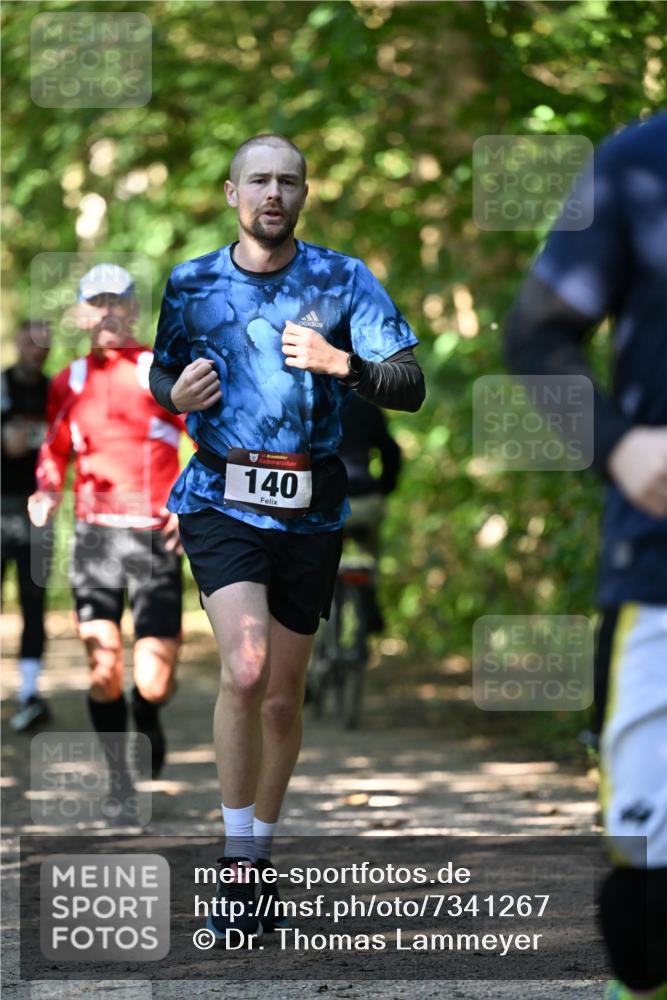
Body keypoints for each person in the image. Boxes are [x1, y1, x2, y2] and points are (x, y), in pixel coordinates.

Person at [149, 133, 425, 941]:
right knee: (247, 666)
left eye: (288, 181)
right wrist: (177, 388)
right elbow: (163, 372)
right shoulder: (192, 281)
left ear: (303, 196)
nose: (274, 193)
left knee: (279, 697)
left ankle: (259, 858)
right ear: (233, 194)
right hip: (220, 495)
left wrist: (344, 363)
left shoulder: (344, 279)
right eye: (259, 180)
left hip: (312, 505)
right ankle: (236, 868)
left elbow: (408, 386)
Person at [504, 113, 667, 1000]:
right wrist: (617, 445)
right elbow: (532, 337)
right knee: (645, 909)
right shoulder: (637, 163)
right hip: (659, 569)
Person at [28, 264, 186, 812]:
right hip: (96, 538)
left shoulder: (158, 372)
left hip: (154, 540)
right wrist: (47, 490)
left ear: (134, 309)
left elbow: (206, 444)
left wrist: (189, 508)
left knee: (154, 680)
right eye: (96, 302)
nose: (108, 312)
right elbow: (55, 449)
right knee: (103, 663)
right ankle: (120, 778)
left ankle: (146, 717)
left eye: (118, 300)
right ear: (82, 313)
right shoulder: (67, 380)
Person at [2, 320, 52, 731]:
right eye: (32, 341)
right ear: (19, 342)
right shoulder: (3, 386)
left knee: (34, 601)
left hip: (36, 509)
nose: (39, 350)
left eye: (45, 343)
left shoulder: (55, 391)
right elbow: (13, 445)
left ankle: (29, 693)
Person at [338, 392, 403, 633]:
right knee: (368, 552)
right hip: (366, 499)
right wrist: (385, 488)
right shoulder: (367, 407)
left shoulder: (309, 401)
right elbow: (391, 452)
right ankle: (368, 589)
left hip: (325, 500)